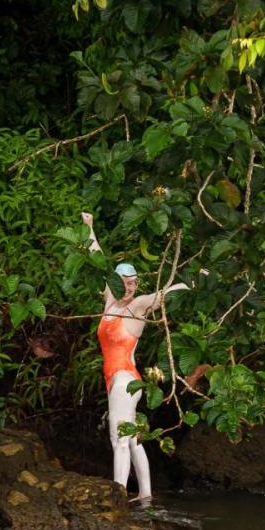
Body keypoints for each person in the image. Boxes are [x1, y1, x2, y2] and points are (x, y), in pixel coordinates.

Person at [81, 212, 188, 508]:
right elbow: (97, 258)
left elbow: (163, 294)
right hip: (117, 380)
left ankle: (117, 496)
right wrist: (89, 227)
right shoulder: (110, 300)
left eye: (133, 282)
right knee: (132, 439)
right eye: (124, 282)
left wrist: (195, 282)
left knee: (119, 439)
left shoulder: (137, 307)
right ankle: (146, 495)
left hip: (125, 380)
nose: (129, 287)